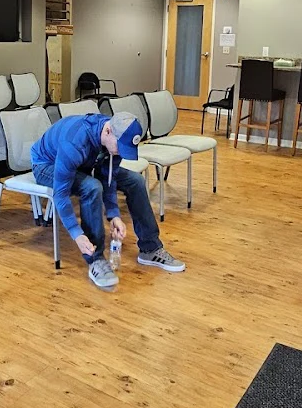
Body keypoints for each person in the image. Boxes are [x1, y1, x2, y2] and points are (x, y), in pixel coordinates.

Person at [30, 110, 186, 291]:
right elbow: (60, 194)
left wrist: (114, 215)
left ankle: (150, 248)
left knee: (135, 181)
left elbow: (108, 177)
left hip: (85, 163)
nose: (120, 152)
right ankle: (95, 259)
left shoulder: (115, 139)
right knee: (92, 187)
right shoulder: (74, 142)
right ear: (107, 131)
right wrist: (76, 233)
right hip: (46, 165)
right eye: (120, 147)